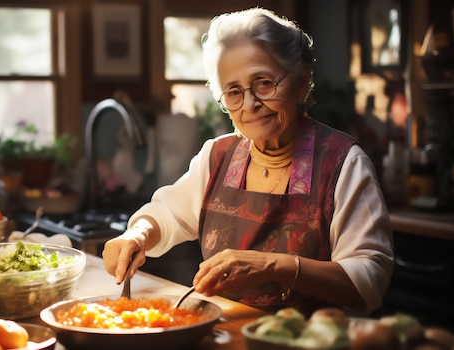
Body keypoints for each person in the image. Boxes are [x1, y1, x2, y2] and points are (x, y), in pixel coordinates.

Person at [102, 7, 393, 316]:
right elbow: (167, 213)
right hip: (228, 335)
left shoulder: (343, 163)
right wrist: (137, 234)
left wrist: (273, 265)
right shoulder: (217, 157)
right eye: (234, 92)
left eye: (265, 83)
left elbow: (369, 280)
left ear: (301, 80)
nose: (251, 104)